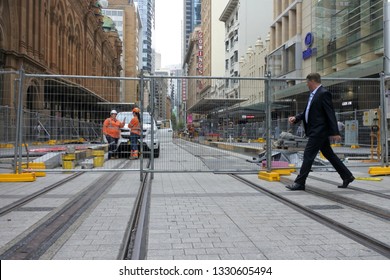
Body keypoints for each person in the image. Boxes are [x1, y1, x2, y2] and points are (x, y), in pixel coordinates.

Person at [286, 73, 354, 190]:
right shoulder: (313, 94)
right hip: (316, 130)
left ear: (312, 81)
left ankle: (300, 183)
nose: (306, 84)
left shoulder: (323, 93)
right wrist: (296, 118)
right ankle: (347, 176)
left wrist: (335, 132)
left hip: (319, 131)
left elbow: (330, 113)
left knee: (308, 155)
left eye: (307, 82)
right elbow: (307, 112)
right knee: (329, 154)